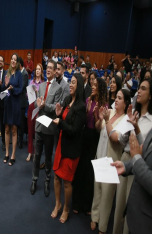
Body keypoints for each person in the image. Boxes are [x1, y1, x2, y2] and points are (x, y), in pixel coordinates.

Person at [107, 78, 152, 234]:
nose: (138, 91)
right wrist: (133, 127)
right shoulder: (135, 115)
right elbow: (125, 141)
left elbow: (142, 153)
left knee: (131, 209)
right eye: (138, 88)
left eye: (143, 88)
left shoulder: (150, 120)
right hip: (128, 161)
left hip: (140, 168)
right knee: (119, 207)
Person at [91, 89, 131, 234]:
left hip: (112, 161)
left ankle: (102, 224)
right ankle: (94, 217)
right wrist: (98, 117)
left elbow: (114, 138)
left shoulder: (126, 120)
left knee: (108, 194)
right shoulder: (110, 111)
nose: (117, 100)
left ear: (126, 103)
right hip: (100, 154)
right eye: (117, 97)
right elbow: (98, 128)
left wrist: (106, 120)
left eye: (120, 98)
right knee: (97, 189)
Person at [51, 73, 86, 223]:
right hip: (61, 143)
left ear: (78, 86)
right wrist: (59, 114)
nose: (70, 85)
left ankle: (66, 208)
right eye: (69, 82)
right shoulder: (66, 100)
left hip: (71, 149)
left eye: (73, 83)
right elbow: (62, 118)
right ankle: (57, 204)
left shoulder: (81, 107)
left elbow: (73, 130)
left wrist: (60, 123)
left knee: (66, 182)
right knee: (56, 177)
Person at [111, 130, 152, 234]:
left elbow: (138, 158)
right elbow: (144, 158)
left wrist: (136, 159)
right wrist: (126, 166)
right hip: (136, 215)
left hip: (147, 231)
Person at [72, 77, 107, 214]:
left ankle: (87, 205)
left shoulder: (103, 105)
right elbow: (84, 122)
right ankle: (77, 202)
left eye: (95, 85)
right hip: (84, 135)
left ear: (101, 88)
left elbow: (98, 128)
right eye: (92, 84)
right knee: (80, 169)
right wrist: (87, 112)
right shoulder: (88, 101)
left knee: (89, 171)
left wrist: (97, 117)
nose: (92, 87)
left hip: (94, 138)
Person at [30, 59, 62, 197]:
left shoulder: (58, 88)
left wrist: (44, 106)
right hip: (39, 125)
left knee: (48, 157)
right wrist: (38, 104)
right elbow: (38, 104)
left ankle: (47, 181)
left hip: (49, 127)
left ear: (55, 71)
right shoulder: (41, 86)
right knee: (37, 156)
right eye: (46, 67)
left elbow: (56, 108)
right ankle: (34, 179)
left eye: (50, 68)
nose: (47, 70)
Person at [2, 53, 23, 166]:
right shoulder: (7, 72)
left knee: (14, 129)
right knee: (6, 129)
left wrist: (12, 88)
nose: (13, 61)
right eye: (12, 59)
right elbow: (2, 89)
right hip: (8, 103)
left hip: (15, 104)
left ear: (17, 62)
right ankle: (6, 153)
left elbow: (21, 89)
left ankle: (13, 154)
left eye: (15, 59)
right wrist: (6, 86)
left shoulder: (19, 74)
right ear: (10, 61)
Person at [26, 64, 44, 162]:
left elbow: (43, 98)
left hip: (38, 109)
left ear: (41, 71)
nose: (37, 71)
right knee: (30, 131)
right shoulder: (31, 82)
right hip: (30, 107)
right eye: (36, 69)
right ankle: (30, 152)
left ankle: (36, 152)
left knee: (37, 132)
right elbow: (27, 96)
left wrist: (37, 92)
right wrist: (30, 92)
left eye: (39, 69)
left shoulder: (43, 84)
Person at [18, 57, 29, 148]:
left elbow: (22, 87)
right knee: (17, 121)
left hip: (22, 101)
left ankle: (20, 141)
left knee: (21, 122)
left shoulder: (25, 74)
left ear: (20, 64)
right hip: (17, 100)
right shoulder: (18, 73)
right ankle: (18, 138)